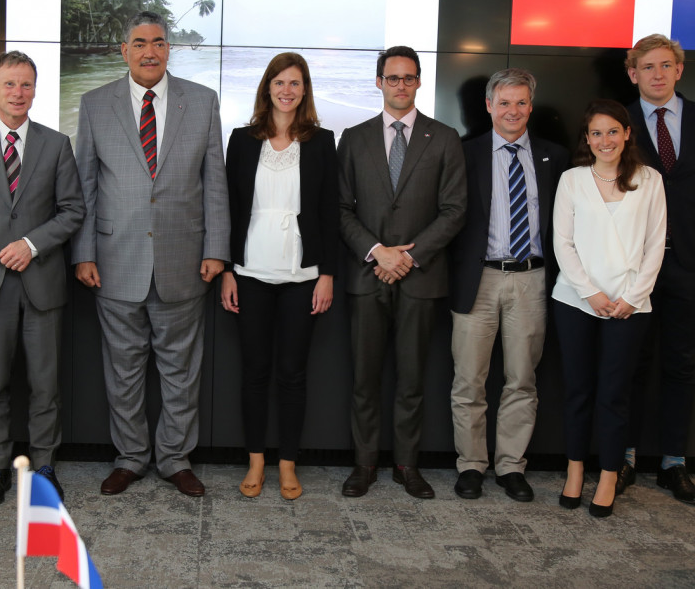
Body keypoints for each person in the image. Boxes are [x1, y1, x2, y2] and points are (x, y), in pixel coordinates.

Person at [72, 11, 230, 497]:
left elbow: (215, 183)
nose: (149, 51)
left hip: (185, 260)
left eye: (158, 42)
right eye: (139, 43)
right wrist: (83, 253)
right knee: (123, 371)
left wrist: (217, 249)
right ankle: (131, 458)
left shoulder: (201, 102)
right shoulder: (95, 104)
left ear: (169, 48)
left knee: (181, 372)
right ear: (124, 50)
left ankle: (176, 459)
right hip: (115, 260)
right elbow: (85, 185)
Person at [0, 51, 84, 505]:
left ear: (35, 89)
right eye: (9, 84)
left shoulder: (56, 143)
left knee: (46, 386)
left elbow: (72, 211)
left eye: (26, 85)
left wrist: (32, 244)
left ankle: (44, 468)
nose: (18, 93)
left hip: (42, 284)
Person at [337, 46, 466, 499]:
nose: (400, 85)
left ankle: (407, 465)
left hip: (420, 279)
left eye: (408, 78)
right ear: (379, 82)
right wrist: (378, 252)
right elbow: (341, 209)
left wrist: (407, 258)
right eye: (392, 78)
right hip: (367, 275)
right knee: (364, 380)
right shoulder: (353, 138)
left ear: (418, 82)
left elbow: (454, 211)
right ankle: (364, 465)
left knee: (412, 380)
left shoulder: (444, 137)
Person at [619, 34, 695, 505]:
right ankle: (621, 459)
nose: (658, 74)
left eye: (666, 65)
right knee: (629, 367)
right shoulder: (617, 122)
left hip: (692, 271)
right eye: (647, 67)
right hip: (632, 271)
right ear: (633, 74)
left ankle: (673, 464)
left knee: (681, 367)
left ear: (679, 70)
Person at [220, 53, 338, 501]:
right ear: (267, 88)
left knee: (292, 374)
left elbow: (328, 211)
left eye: (295, 83)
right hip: (249, 273)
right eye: (279, 82)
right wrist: (228, 271)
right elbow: (230, 208)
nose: (286, 90)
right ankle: (255, 463)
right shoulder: (243, 140)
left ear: (304, 90)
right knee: (253, 372)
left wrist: (327, 274)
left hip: (302, 274)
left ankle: (287, 464)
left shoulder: (323, 141)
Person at [447, 68, 568, 502]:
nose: (512, 111)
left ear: (530, 106)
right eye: (504, 103)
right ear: (488, 106)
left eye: (520, 102)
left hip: (532, 280)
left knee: (522, 378)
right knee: (470, 379)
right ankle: (471, 466)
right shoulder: (464, 153)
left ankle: (511, 467)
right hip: (477, 279)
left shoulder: (556, 156)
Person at [552, 99, 666, 518]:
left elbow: (656, 243)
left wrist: (632, 297)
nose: (605, 140)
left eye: (613, 131)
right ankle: (575, 471)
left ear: (627, 134)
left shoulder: (649, 179)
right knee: (578, 391)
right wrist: (590, 293)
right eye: (596, 133)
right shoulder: (572, 180)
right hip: (576, 301)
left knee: (614, 396)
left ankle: (608, 476)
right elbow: (562, 243)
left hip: (630, 305)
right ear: (587, 139)